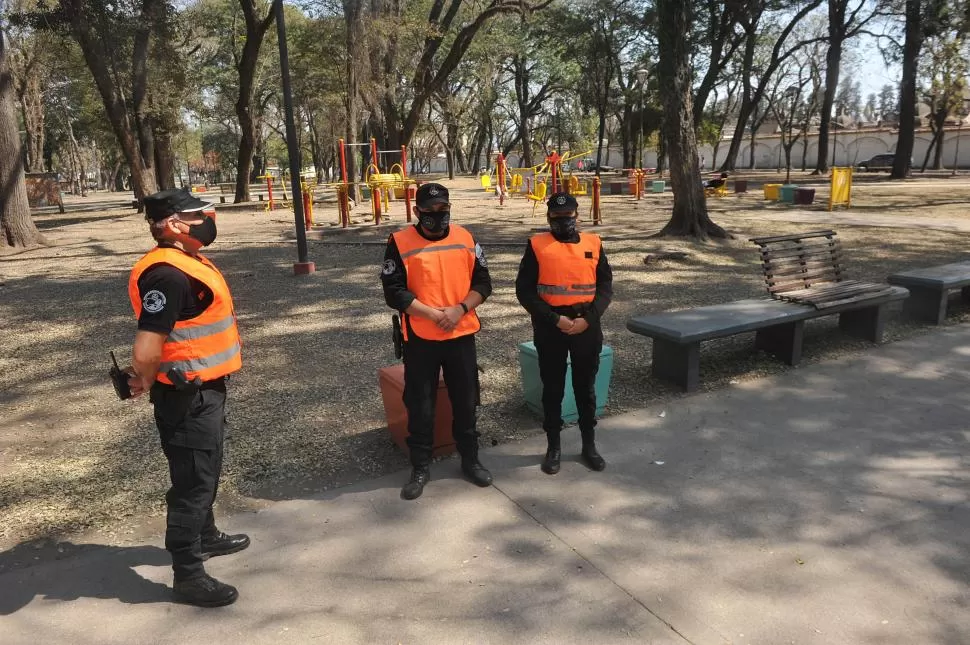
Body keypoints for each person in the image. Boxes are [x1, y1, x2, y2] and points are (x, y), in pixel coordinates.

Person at [124, 189, 249, 607]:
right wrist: (143, 378)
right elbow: (147, 345)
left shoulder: (187, 261)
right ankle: (188, 574)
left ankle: (206, 535)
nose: (210, 219)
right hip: (186, 396)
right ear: (175, 225)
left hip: (205, 387)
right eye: (201, 215)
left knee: (206, 468)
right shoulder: (168, 275)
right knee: (192, 482)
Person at [381, 183, 494, 500]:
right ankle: (420, 467)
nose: (437, 217)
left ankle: (470, 460)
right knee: (420, 404)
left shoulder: (466, 238)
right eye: (429, 212)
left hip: (460, 333)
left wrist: (458, 310)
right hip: (421, 338)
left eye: (443, 210)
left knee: (466, 400)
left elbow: (483, 283)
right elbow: (395, 291)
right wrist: (433, 315)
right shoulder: (400, 242)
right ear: (417, 212)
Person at [515, 192, 613, 475]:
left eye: (567, 217)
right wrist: (554, 319)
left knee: (586, 389)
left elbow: (605, 287)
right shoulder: (537, 245)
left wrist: (589, 319)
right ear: (548, 218)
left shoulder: (594, 243)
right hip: (551, 328)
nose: (562, 222)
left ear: (577, 216)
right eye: (556, 218)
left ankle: (589, 445)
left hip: (586, 327)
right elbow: (525, 290)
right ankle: (554, 447)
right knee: (553, 389)